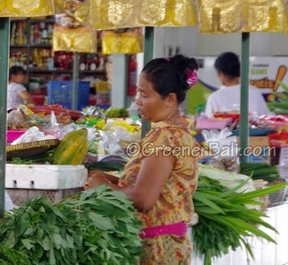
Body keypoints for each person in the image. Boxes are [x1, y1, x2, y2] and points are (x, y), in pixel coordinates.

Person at [85, 55, 200, 265]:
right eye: (138, 92)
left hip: (157, 248)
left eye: (144, 95)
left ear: (170, 99)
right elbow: (161, 186)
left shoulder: (164, 137)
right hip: (169, 243)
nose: (137, 101)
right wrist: (112, 179)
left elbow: (143, 198)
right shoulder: (180, 133)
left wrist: (102, 187)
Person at [204, 52, 271, 116]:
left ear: (221, 73)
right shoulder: (254, 92)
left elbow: (208, 123)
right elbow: (266, 118)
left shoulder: (215, 97)